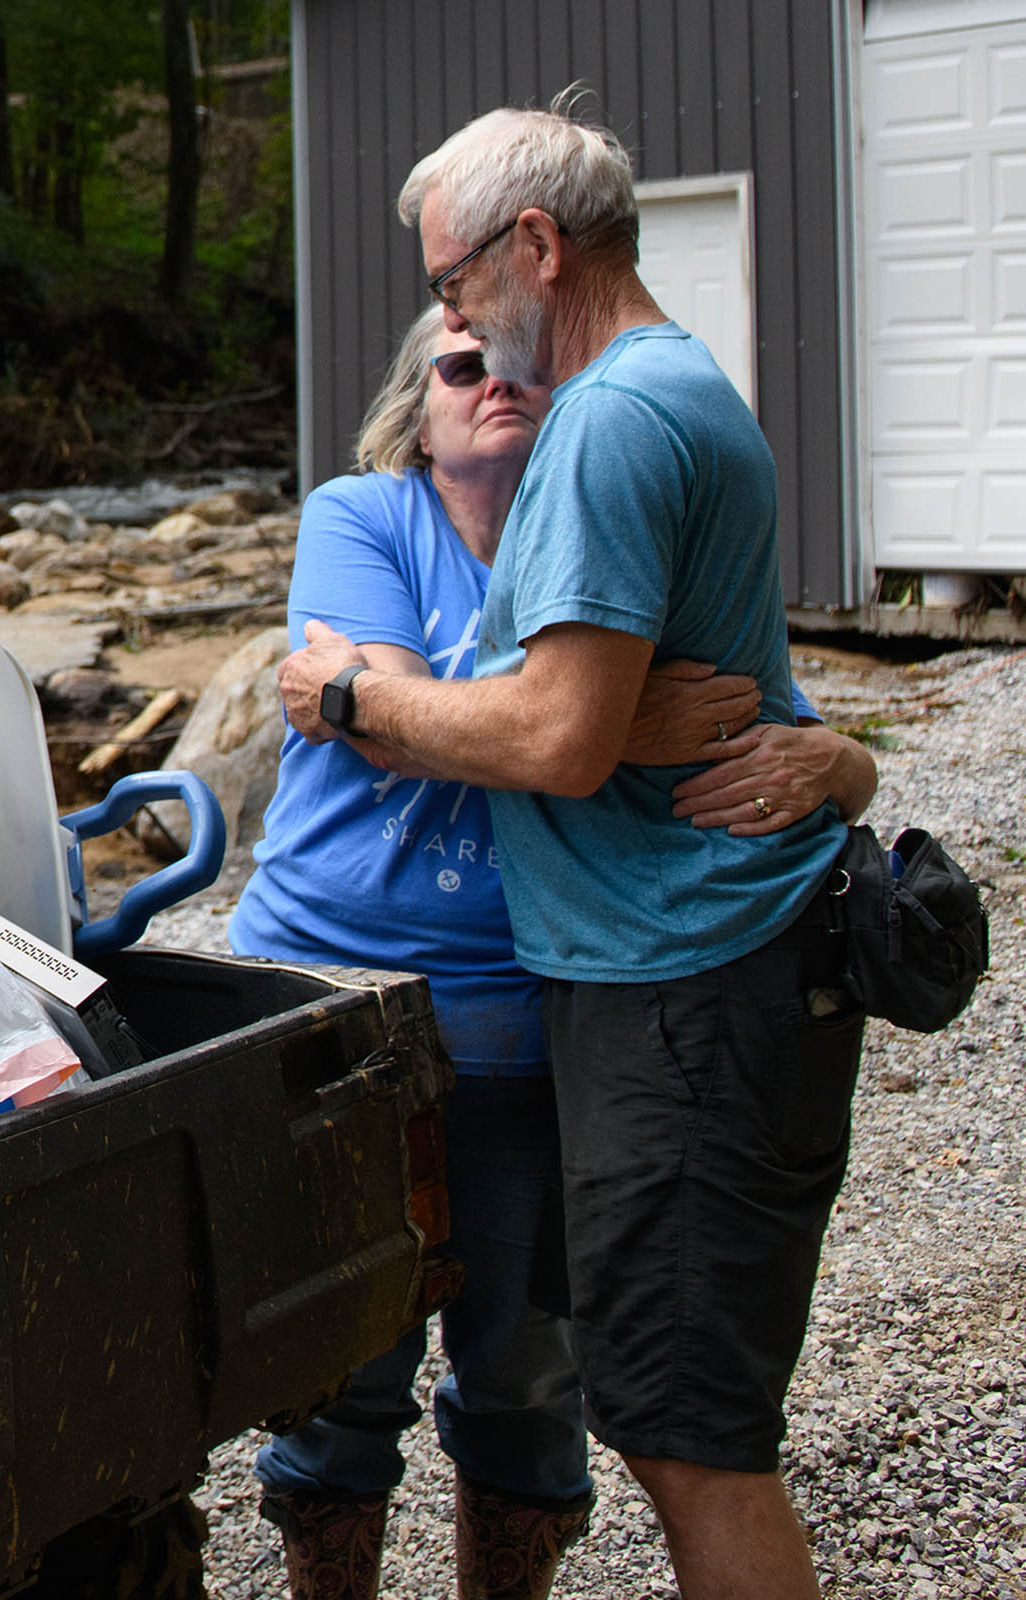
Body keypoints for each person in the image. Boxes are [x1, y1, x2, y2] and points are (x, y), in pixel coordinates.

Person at [278, 101, 880, 1600]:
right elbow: (605, 714)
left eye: (455, 286)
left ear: (533, 248)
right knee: (649, 1418)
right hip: (616, 980)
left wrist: (360, 694)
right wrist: (600, 721)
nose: (453, 326)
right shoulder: (645, 403)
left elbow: (554, 739)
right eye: (441, 340)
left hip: (675, 989)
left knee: (681, 1435)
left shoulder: (609, 422)